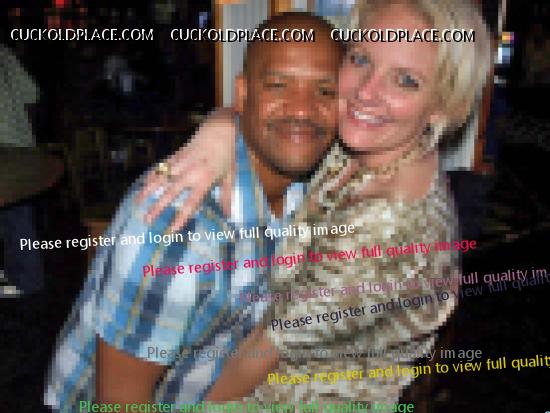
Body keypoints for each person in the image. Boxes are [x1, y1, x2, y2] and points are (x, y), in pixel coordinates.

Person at [139, 0, 491, 405]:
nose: (366, 92)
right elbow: (274, 118)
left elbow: (261, 353)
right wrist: (220, 127)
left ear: (443, 105)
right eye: (361, 59)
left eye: (405, 80)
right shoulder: (373, 147)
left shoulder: (384, 227)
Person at [45, 13, 343, 410]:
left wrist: (222, 121)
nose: (303, 109)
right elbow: (120, 402)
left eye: (325, 90)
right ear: (243, 94)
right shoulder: (178, 232)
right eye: (278, 85)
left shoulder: (318, 183)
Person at [0, 44, 44, 297]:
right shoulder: (4, 52)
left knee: (15, 218)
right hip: (20, 146)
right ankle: (21, 276)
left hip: (6, 150)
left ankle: (27, 280)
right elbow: (32, 95)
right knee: (16, 216)